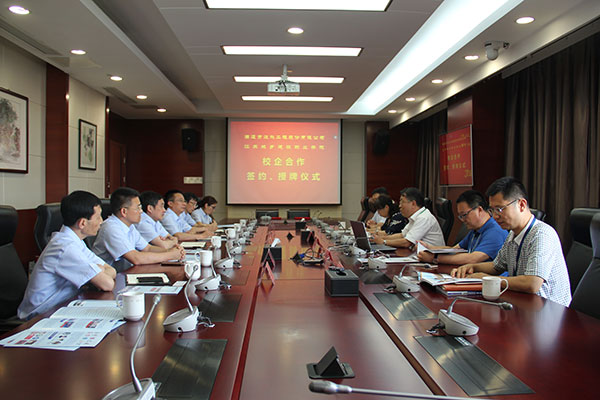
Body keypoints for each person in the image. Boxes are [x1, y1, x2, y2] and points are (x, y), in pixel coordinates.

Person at [451, 177, 571, 307]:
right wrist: (472, 267)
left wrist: (487, 279)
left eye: (500, 209)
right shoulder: (513, 234)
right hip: (525, 304)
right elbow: (497, 266)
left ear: (521, 205)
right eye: (492, 210)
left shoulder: (541, 234)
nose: (495, 216)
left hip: (549, 310)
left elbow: (532, 283)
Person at [17, 191, 117, 320]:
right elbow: (107, 284)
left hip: (64, 306)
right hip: (40, 316)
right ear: (82, 223)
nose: (101, 222)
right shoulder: (64, 248)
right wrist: (98, 271)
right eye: (98, 217)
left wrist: (98, 271)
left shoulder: (75, 242)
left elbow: (111, 270)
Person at [92, 187, 184, 271]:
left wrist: (172, 251)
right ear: (124, 211)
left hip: (126, 272)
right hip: (109, 278)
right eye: (138, 208)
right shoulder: (111, 228)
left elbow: (148, 248)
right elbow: (136, 258)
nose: (141, 211)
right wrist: (170, 255)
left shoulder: (130, 226)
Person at [418, 190, 508, 265]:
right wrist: (430, 248)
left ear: (479, 210)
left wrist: (435, 258)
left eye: (464, 215)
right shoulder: (476, 229)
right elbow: (455, 249)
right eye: (460, 216)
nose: (463, 220)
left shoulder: (495, 231)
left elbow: (473, 259)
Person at [373, 187, 444, 248]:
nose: (399, 206)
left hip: (432, 257)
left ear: (413, 203)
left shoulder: (424, 218)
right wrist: (381, 238)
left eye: (402, 202)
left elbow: (407, 242)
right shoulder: (415, 217)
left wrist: (384, 241)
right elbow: (402, 235)